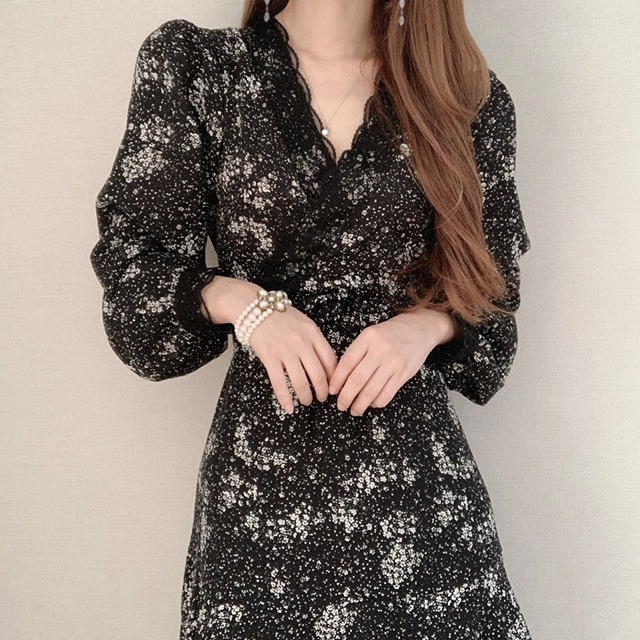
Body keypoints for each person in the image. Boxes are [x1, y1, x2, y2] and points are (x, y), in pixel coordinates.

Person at [90, 0, 533, 637]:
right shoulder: (200, 69)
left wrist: (425, 326)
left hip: (421, 504)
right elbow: (136, 273)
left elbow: (494, 299)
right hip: (261, 497)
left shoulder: (462, 97)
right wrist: (246, 304)